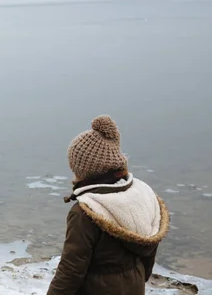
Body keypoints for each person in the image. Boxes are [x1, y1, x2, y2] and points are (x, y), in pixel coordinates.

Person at [47, 115, 169, 295]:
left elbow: (71, 269)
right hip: (134, 285)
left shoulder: (86, 212)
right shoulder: (143, 195)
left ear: (85, 169)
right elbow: (149, 248)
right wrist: (138, 279)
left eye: (74, 168)